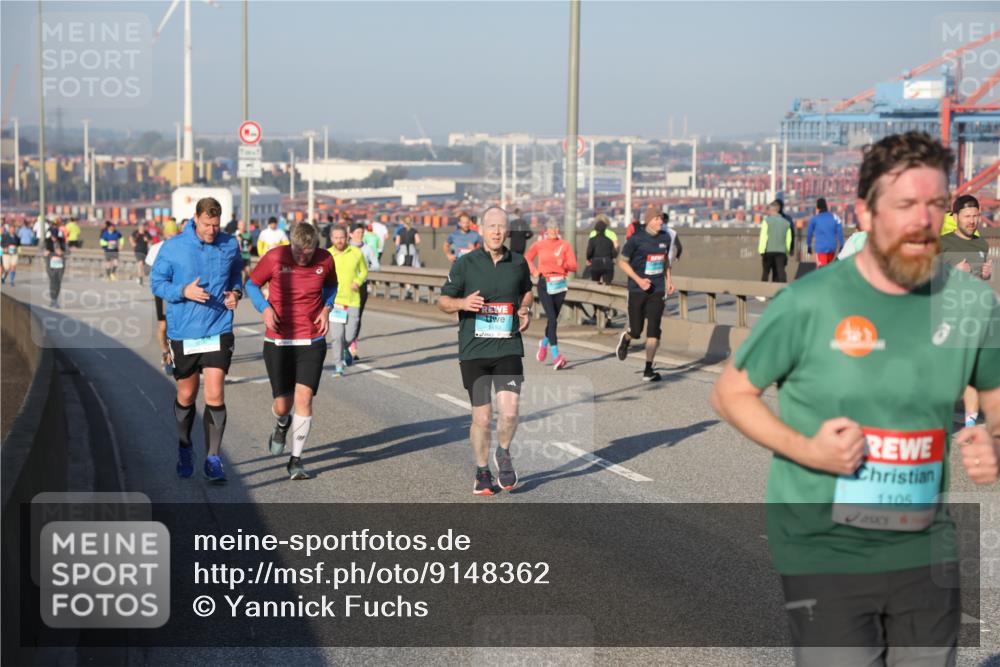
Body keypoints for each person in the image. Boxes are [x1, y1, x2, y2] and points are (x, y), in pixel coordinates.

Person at [710, 131, 1000, 666]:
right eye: (905, 205)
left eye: (934, 204)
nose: (923, 220)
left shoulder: (970, 303)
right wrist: (809, 450)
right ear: (866, 214)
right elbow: (731, 393)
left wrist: (992, 436)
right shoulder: (809, 302)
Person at [437, 206, 533, 495]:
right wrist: (462, 304)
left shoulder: (518, 262)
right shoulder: (465, 264)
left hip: (507, 346)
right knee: (481, 417)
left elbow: (527, 290)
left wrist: (525, 307)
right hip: (474, 351)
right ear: (481, 230)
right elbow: (443, 301)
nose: (496, 232)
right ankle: (481, 472)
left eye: (501, 227)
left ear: (507, 231)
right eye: (491, 226)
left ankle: (503, 452)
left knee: (510, 411)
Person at [150, 197, 244, 484]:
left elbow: (236, 273)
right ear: (196, 218)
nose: (212, 231)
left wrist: (235, 293)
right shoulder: (174, 246)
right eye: (207, 225)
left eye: (216, 225)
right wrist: (183, 291)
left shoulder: (230, 244)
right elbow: (157, 283)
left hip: (218, 328)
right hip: (184, 332)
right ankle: (185, 447)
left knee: (215, 394)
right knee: (187, 395)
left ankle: (213, 459)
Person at [246, 222, 336, 481]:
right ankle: (281, 424)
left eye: (307, 254)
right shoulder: (275, 257)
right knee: (283, 404)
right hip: (279, 340)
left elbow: (331, 285)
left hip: (311, 338)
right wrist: (264, 308)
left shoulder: (325, 259)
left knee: (304, 398)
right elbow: (252, 285)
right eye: (297, 251)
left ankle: (296, 460)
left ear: (315, 248)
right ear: (291, 243)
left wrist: (327, 307)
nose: (301, 257)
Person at [939, 194, 993, 429]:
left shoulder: (982, 244)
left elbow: (977, 281)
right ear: (955, 216)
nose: (972, 221)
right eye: (967, 216)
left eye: (975, 216)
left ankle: (970, 423)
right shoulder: (941, 243)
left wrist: (985, 275)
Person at [615, 207, 676, 382]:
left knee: (654, 330)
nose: (661, 222)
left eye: (662, 219)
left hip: (657, 289)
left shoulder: (665, 238)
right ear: (649, 220)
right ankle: (626, 338)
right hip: (637, 289)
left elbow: (665, 260)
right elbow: (622, 263)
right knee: (636, 330)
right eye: (657, 219)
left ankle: (648, 370)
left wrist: (669, 281)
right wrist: (639, 279)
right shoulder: (636, 239)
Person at [525, 219, 578, 370]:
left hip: (560, 284)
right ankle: (556, 356)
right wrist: (534, 271)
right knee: (553, 319)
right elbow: (528, 258)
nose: (553, 230)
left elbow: (574, 266)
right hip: (545, 283)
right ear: (546, 230)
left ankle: (544, 344)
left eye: (555, 227)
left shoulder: (565, 245)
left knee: (553, 320)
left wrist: (564, 264)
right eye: (550, 228)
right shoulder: (540, 244)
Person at [328, 224, 368, 377]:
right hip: (335, 301)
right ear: (331, 238)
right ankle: (338, 366)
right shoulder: (327, 254)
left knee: (349, 336)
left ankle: (346, 349)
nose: (339, 240)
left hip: (352, 300)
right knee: (336, 336)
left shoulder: (356, 252)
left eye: (342, 237)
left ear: (347, 237)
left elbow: (364, 270)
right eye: (336, 238)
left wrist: (357, 281)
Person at [145, 221, 178, 375]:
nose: (172, 236)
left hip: (180, 290)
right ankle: (165, 351)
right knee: (163, 325)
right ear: (164, 234)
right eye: (169, 233)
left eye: (174, 233)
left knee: (178, 324)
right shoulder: (156, 248)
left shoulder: (182, 246)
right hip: (163, 292)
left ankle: (178, 355)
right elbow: (148, 269)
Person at [349, 222, 380, 361]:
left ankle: (353, 346)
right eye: (357, 233)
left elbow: (377, 266)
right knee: (344, 316)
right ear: (350, 234)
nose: (359, 236)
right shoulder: (346, 248)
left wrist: (364, 268)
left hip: (361, 285)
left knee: (357, 316)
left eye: (361, 233)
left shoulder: (367, 249)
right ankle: (345, 343)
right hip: (346, 286)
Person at [759, 200, 793, 283]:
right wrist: (787, 250)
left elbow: (763, 237)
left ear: (771, 210)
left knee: (766, 272)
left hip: (768, 251)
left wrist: (761, 250)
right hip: (781, 251)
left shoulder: (766, 221)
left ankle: (762, 293)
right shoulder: (786, 223)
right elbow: (788, 239)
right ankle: (781, 292)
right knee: (780, 273)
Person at [806, 197, 844, 267]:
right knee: (828, 270)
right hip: (832, 248)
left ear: (817, 207)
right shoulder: (835, 217)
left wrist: (808, 246)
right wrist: (842, 245)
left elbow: (809, 234)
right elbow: (840, 232)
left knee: (821, 271)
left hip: (820, 249)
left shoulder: (815, 219)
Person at [586, 214, 618, 286]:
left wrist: (588, 259)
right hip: (608, 262)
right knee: (607, 284)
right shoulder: (612, 234)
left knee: (595, 284)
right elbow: (616, 248)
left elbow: (590, 249)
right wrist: (613, 258)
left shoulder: (592, 234)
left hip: (595, 262)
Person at [43, 218, 67, 308]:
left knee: (58, 282)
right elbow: (42, 251)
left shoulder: (61, 241)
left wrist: (62, 252)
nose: (54, 238)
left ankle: (55, 299)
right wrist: (45, 253)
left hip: (60, 265)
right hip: (50, 265)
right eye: (53, 236)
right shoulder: (47, 241)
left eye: (55, 236)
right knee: (53, 281)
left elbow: (68, 251)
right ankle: (53, 300)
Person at [235, 219, 253, 285]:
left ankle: (246, 285)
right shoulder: (235, 235)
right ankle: (241, 286)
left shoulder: (248, 234)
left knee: (248, 271)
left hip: (247, 255)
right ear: (238, 226)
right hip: (239, 256)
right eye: (241, 225)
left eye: (244, 225)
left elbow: (251, 243)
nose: (243, 226)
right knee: (241, 273)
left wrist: (250, 247)